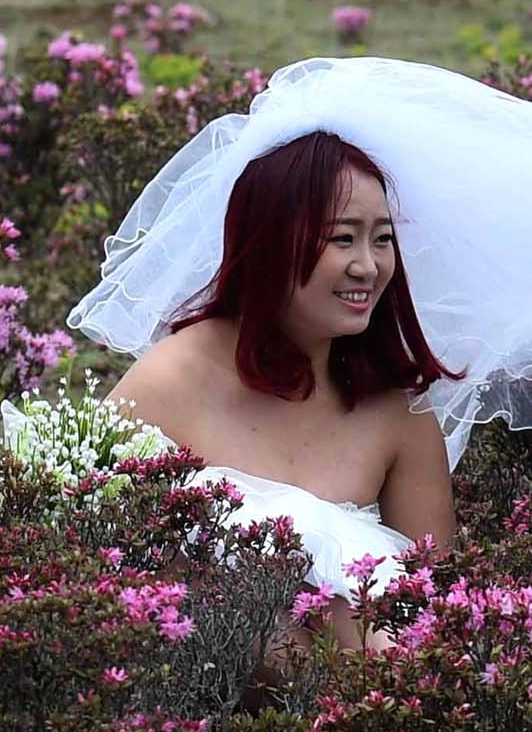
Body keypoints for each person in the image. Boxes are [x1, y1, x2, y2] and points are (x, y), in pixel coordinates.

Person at [106, 129, 460, 655]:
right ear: (271, 241)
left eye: (382, 239)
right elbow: (100, 570)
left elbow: (437, 608)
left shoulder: (397, 410)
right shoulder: (172, 382)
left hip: (373, 711)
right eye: (343, 239)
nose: (368, 265)